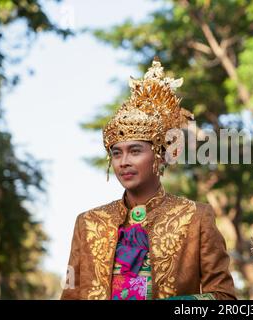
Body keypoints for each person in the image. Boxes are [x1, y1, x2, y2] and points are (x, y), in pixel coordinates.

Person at [61, 59, 236, 300]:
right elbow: (70, 294)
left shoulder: (196, 218)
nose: (123, 162)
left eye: (135, 151)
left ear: (161, 156)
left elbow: (224, 297)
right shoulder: (88, 223)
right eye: (116, 153)